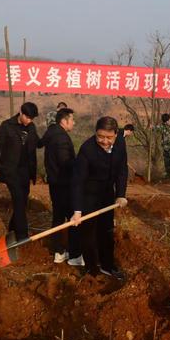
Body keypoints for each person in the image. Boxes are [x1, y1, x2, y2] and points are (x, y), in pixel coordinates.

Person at [71, 116, 128, 280]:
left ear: (116, 134)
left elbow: (122, 170)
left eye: (108, 137)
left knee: (106, 232)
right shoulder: (87, 149)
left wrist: (120, 195)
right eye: (100, 136)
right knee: (88, 235)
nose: (104, 141)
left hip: (107, 195)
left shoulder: (120, 144)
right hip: (88, 195)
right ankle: (91, 270)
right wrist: (77, 210)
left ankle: (107, 266)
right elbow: (78, 182)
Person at [38, 108, 83, 265]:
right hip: (64, 184)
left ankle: (58, 250)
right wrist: (81, 164)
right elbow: (65, 163)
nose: (74, 122)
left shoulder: (51, 132)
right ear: (64, 121)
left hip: (55, 183)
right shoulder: (62, 138)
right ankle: (74, 254)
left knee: (58, 216)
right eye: (72, 119)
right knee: (74, 218)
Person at [0, 102, 39, 242]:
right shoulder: (6, 126)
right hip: (10, 170)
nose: (29, 121)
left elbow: (38, 142)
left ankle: (13, 228)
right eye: (28, 118)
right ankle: (22, 236)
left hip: (25, 170)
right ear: (21, 113)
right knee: (18, 199)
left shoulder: (31, 127)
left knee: (23, 200)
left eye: (32, 119)